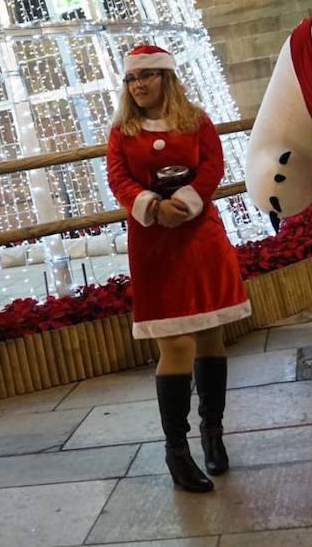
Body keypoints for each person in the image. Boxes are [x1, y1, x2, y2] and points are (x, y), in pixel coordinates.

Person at [106, 45, 250, 494]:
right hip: (154, 245)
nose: (140, 85)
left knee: (209, 334)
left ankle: (213, 433)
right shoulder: (121, 131)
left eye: (148, 76)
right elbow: (118, 178)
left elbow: (212, 166)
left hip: (199, 236)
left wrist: (186, 202)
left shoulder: (197, 121)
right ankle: (177, 451)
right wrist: (150, 205)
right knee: (176, 343)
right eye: (133, 78)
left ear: (167, 79)